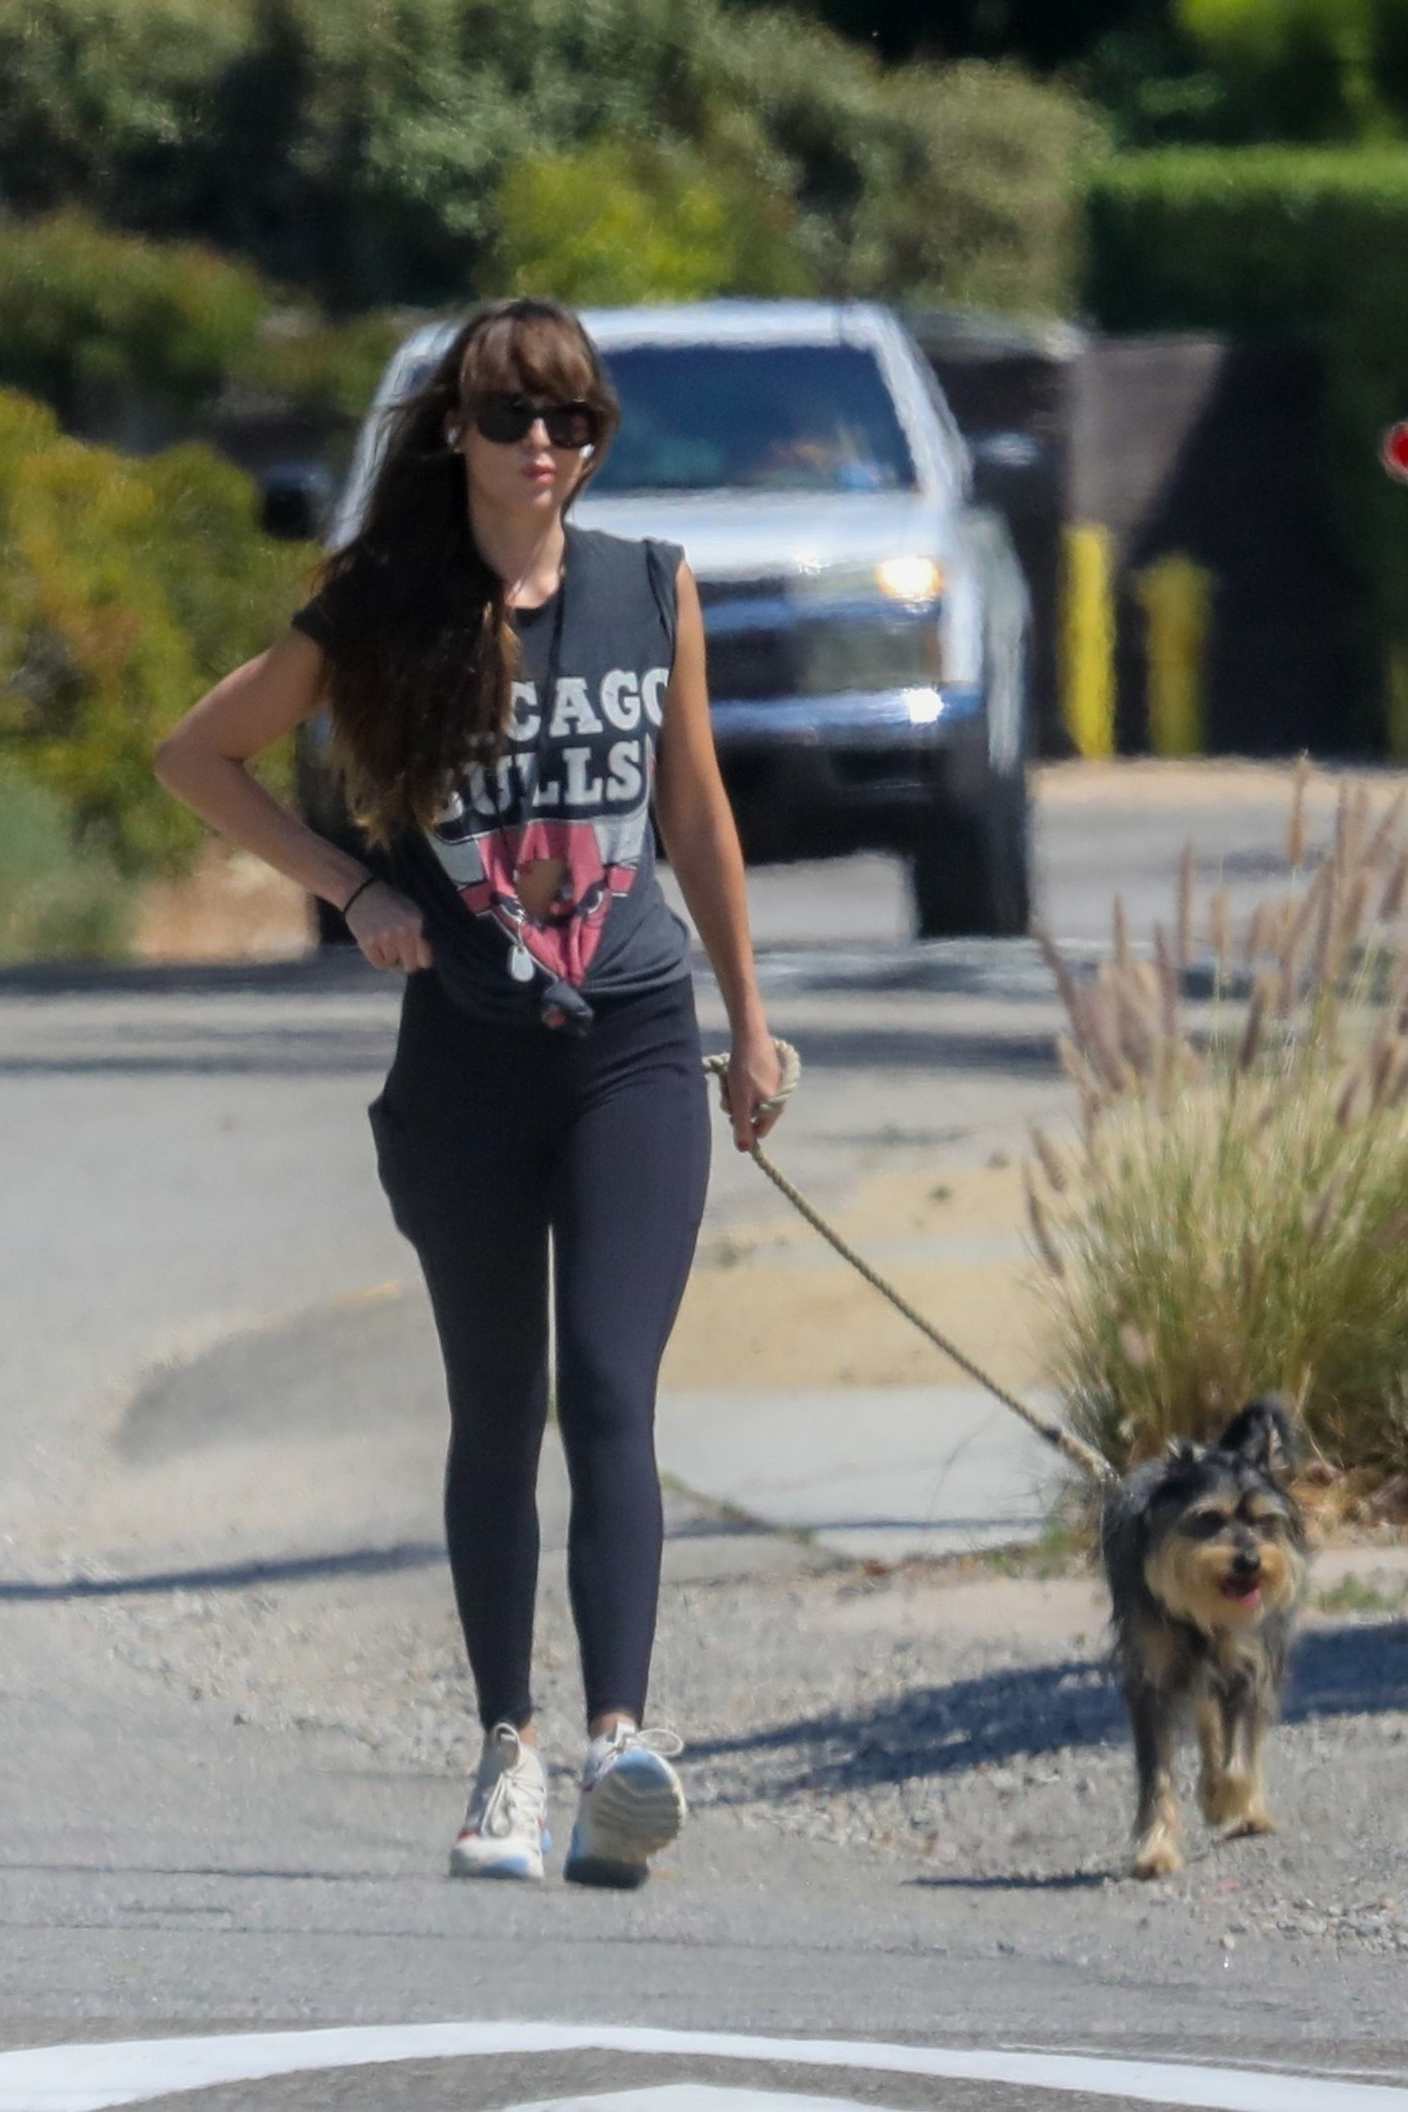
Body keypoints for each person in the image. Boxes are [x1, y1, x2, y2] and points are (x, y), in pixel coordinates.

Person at [153, 296, 785, 1890]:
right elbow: (198, 756)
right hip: (466, 1065)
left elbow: (696, 818)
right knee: (497, 1408)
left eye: (574, 420)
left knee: (615, 1393)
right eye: (515, 420)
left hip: (637, 1037)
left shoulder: (652, 590)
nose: (548, 448)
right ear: (458, 435)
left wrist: (753, 1026)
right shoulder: (388, 603)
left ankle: (619, 1749)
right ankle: (508, 1749)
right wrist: (355, 892)